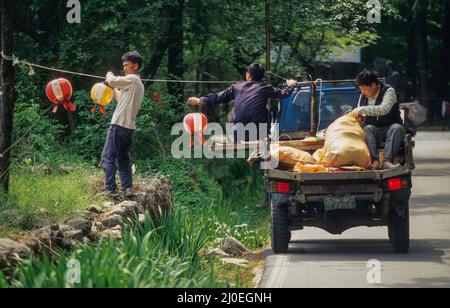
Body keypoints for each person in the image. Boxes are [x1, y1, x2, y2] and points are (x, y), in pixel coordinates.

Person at [187, 63, 297, 142]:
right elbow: (283, 94)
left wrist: (200, 100)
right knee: (268, 110)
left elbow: (218, 97)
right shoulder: (265, 87)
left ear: (248, 75)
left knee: (234, 110)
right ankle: (265, 136)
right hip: (257, 133)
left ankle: (236, 138)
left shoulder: (237, 87)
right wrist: (290, 85)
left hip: (239, 134)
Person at [101, 51, 145, 198]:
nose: (124, 68)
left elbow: (112, 79)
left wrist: (108, 75)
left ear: (135, 66)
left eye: (126, 65)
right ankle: (127, 189)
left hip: (118, 125)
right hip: (128, 128)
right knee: (123, 158)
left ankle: (111, 189)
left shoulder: (132, 79)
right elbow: (120, 98)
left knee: (108, 157)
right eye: (123, 65)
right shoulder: (136, 84)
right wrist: (113, 88)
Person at [352, 70, 404, 170]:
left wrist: (362, 109)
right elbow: (361, 115)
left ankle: (387, 161)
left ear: (373, 85)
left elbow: (384, 109)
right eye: (361, 89)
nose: (363, 92)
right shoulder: (363, 95)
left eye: (364, 89)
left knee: (396, 128)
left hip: (389, 127)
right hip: (375, 130)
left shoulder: (389, 91)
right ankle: (374, 161)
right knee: (367, 129)